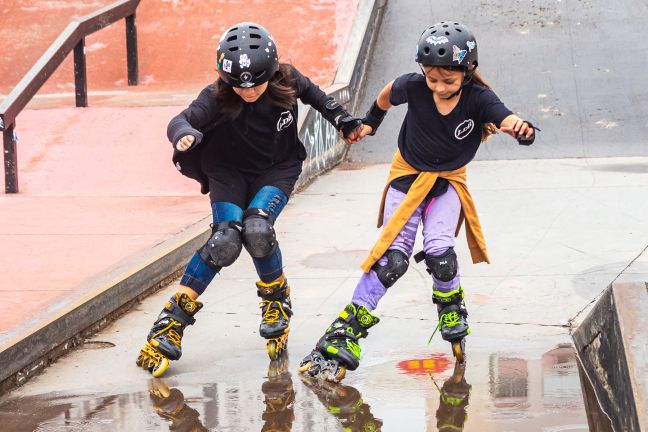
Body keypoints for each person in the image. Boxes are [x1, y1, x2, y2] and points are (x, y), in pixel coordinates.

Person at [300, 21, 538, 382]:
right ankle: (345, 329)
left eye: (448, 80)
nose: (439, 87)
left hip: (448, 183)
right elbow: (385, 95)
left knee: (442, 255)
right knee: (393, 259)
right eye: (432, 79)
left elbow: (505, 116)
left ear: (467, 71)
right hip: (407, 177)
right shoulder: (412, 86)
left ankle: (451, 305)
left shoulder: (478, 98)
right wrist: (370, 123)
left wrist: (519, 127)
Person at [136, 22, 362, 377]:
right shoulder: (215, 96)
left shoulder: (287, 79)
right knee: (225, 240)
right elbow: (180, 121)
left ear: (271, 73)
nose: (249, 91)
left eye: (256, 83)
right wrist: (185, 135)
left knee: (257, 229)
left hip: (277, 169)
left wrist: (345, 122)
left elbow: (321, 99)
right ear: (227, 80)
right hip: (226, 171)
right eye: (240, 86)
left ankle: (275, 301)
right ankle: (170, 323)